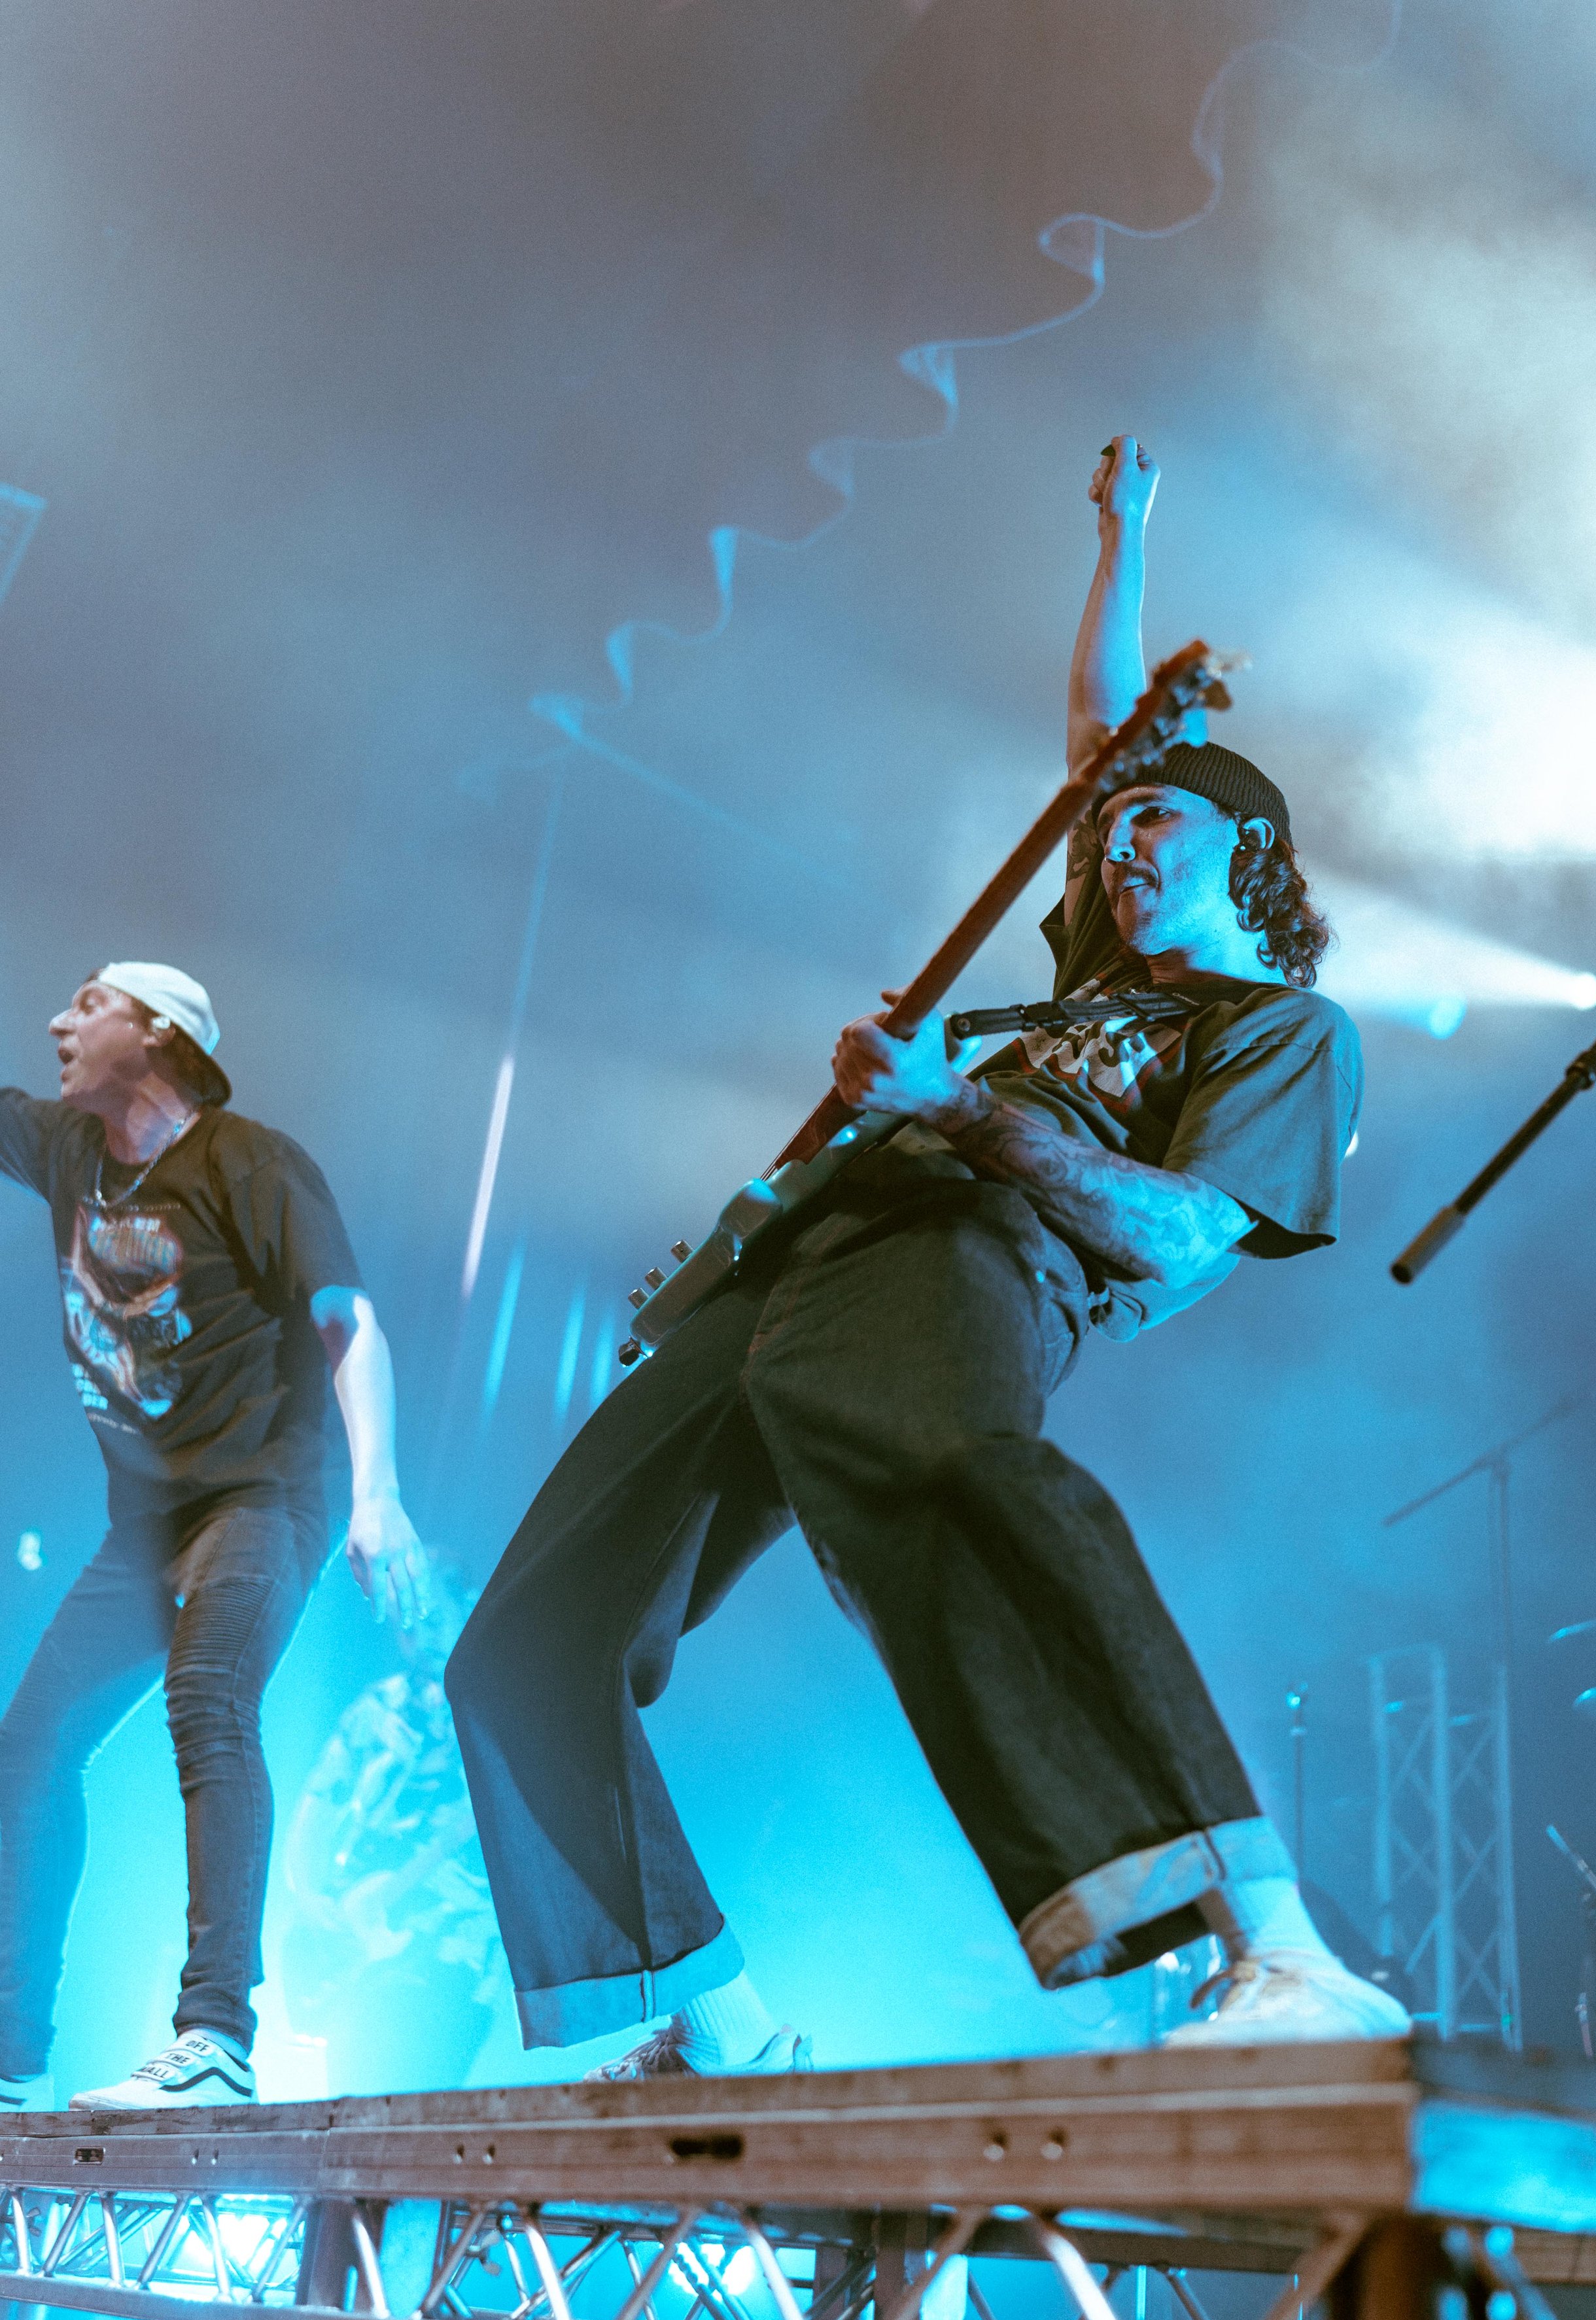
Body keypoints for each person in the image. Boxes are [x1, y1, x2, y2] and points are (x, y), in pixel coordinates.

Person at [445, 435, 1408, 2075]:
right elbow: (1099, 746)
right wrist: (1121, 533)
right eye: (1113, 827)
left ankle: (1283, 1948)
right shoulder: (1101, 962)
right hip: (800, 1261)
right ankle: (717, 2023)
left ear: (1245, 847)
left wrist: (956, 1105)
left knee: (961, 1478)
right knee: (529, 1639)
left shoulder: (1277, 1028)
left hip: (969, 1248)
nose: (1118, 841)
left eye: (1156, 820)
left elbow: (1181, 1237)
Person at [0, 963, 430, 2111]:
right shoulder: (67, 1149)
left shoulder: (250, 1161)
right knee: (31, 1745)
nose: (60, 1021)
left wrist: (379, 1496)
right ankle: (12, 2058)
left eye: (88, 1004)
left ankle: (216, 2037)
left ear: (155, 1032)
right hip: (144, 1528)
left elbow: (349, 1323)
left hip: (258, 1501)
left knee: (209, 1699)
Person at [281, 1554, 509, 2096]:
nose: (419, 1637)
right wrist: (307, 1894)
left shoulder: (504, 1707)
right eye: (407, 1625)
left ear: (468, 1609)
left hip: (453, 1942)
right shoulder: (379, 1704)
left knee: (419, 2098)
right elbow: (320, 1799)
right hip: (357, 1943)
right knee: (351, 2102)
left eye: (433, 1620)